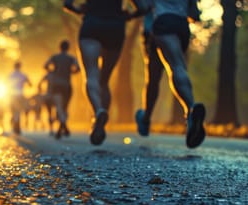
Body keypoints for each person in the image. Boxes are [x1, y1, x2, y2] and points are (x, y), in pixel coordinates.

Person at [63, 0, 149, 145]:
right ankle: (101, 123)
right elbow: (143, 7)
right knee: (104, 80)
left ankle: (98, 112)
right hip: (115, 27)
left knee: (91, 74)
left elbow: (67, 4)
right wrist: (128, 16)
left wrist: (80, 10)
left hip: (92, 24)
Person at [137, 0, 205, 148]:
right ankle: (190, 112)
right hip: (182, 26)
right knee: (179, 66)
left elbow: (143, 6)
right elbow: (195, 15)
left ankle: (189, 111)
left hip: (161, 25)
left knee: (155, 77)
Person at [44, 39, 80, 139]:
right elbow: (78, 68)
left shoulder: (54, 57)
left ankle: (63, 126)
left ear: (59, 47)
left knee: (59, 108)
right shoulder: (71, 58)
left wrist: (53, 72)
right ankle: (62, 127)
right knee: (65, 108)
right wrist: (71, 72)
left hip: (57, 85)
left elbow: (45, 65)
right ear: (68, 48)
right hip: (67, 85)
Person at [8, 61, 32, 135]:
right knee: (19, 110)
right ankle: (17, 126)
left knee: (13, 110)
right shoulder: (23, 75)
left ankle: (15, 123)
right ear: (20, 66)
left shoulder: (11, 75)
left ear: (14, 66)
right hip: (20, 95)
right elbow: (30, 84)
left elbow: (7, 84)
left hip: (12, 95)